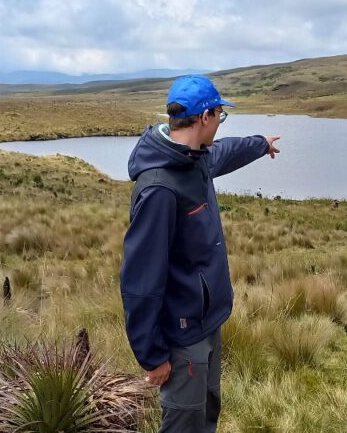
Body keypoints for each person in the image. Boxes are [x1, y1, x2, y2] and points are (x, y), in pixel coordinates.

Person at [120, 75, 280, 432]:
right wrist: (152, 355)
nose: (220, 122)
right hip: (182, 335)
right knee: (184, 423)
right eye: (220, 115)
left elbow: (224, 153)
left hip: (207, 321)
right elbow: (140, 282)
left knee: (206, 415)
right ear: (205, 117)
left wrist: (260, 144)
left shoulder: (194, 158)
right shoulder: (160, 188)